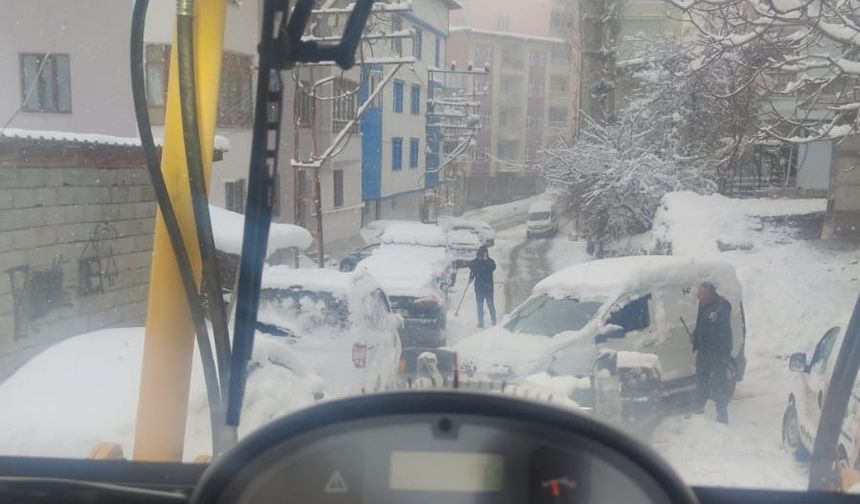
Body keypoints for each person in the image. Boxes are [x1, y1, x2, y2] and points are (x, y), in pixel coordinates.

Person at [691, 281, 733, 424]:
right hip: (704, 350)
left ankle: (722, 415)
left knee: (720, 382)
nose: (698, 297)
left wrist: (715, 316)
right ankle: (698, 409)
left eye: (701, 294)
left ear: (710, 294)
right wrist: (695, 335)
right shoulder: (702, 304)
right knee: (701, 379)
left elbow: (719, 320)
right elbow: (700, 324)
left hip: (718, 352)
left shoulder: (722, 305)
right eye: (699, 294)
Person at [469, 245, 496, 329]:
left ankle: (494, 322)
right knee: (480, 306)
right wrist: (471, 278)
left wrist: (485, 261)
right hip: (480, 288)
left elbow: (493, 267)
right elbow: (472, 268)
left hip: (488, 288)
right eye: (482, 254)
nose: (483, 256)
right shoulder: (476, 262)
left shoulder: (490, 262)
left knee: (490, 305)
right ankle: (481, 323)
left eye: (485, 254)